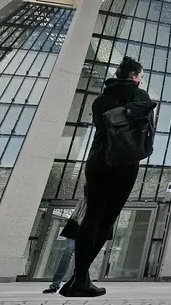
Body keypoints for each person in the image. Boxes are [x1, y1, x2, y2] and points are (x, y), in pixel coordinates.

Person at [61, 56, 156, 297]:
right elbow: (145, 132)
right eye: (140, 77)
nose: (141, 81)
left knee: (92, 217)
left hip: (98, 162)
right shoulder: (140, 97)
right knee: (106, 221)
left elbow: (101, 129)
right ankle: (79, 279)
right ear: (134, 77)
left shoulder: (100, 100)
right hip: (124, 164)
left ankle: (79, 278)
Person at [42, 216, 81, 294]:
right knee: (68, 252)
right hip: (76, 226)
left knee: (83, 258)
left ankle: (80, 284)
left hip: (90, 228)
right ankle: (55, 284)